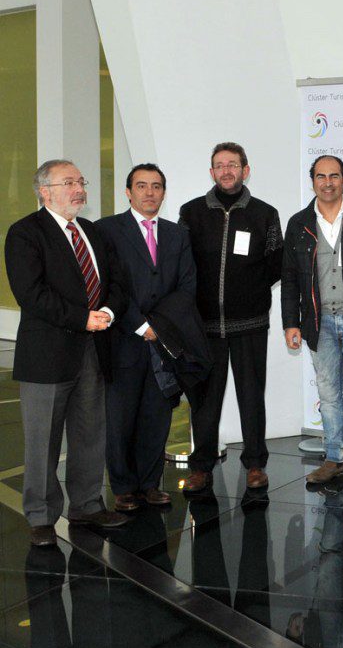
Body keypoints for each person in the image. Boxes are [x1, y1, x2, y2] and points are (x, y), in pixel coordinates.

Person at [5, 159, 128, 546]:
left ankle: (87, 505)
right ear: (45, 191)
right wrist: (82, 318)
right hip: (47, 355)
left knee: (90, 433)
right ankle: (41, 516)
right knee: (42, 441)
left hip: (93, 350)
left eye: (81, 182)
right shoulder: (25, 233)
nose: (79, 189)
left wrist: (107, 313)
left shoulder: (91, 231)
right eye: (69, 182)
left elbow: (116, 282)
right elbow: (31, 293)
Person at [178, 142, 283, 493]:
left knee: (252, 397)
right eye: (220, 165)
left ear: (245, 170)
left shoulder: (265, 214)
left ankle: (255, 464)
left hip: (250, 323)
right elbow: (182, 264)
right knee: (205, 400)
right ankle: (201, 466)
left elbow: (275, 264)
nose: (226, 171)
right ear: (211, 172)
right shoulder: (191, 212)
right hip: (204, 326)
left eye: (233, 165)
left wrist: (249, 292)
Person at [97, 163, 197, 512]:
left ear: (164, 193)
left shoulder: (177, 234)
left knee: (157, 416)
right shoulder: (107, 230)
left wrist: (161, 326)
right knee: (120, 418)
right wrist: (140, 324)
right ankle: (124, 487)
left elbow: (186, 286)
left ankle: (150, 484)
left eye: (156, 186)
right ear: (128, 192)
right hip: (123, 338)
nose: (149, 192)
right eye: (141, 186)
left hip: (164, 340)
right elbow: (107, 286)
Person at [282, 155, 343, 489]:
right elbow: (290, 278)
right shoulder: (298, 223)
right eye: (321, 176)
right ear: (312, 181)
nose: (328, 183)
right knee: (329, 394)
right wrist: (290, 322)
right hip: (317, 322)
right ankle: (335, 458)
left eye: (334, 176)